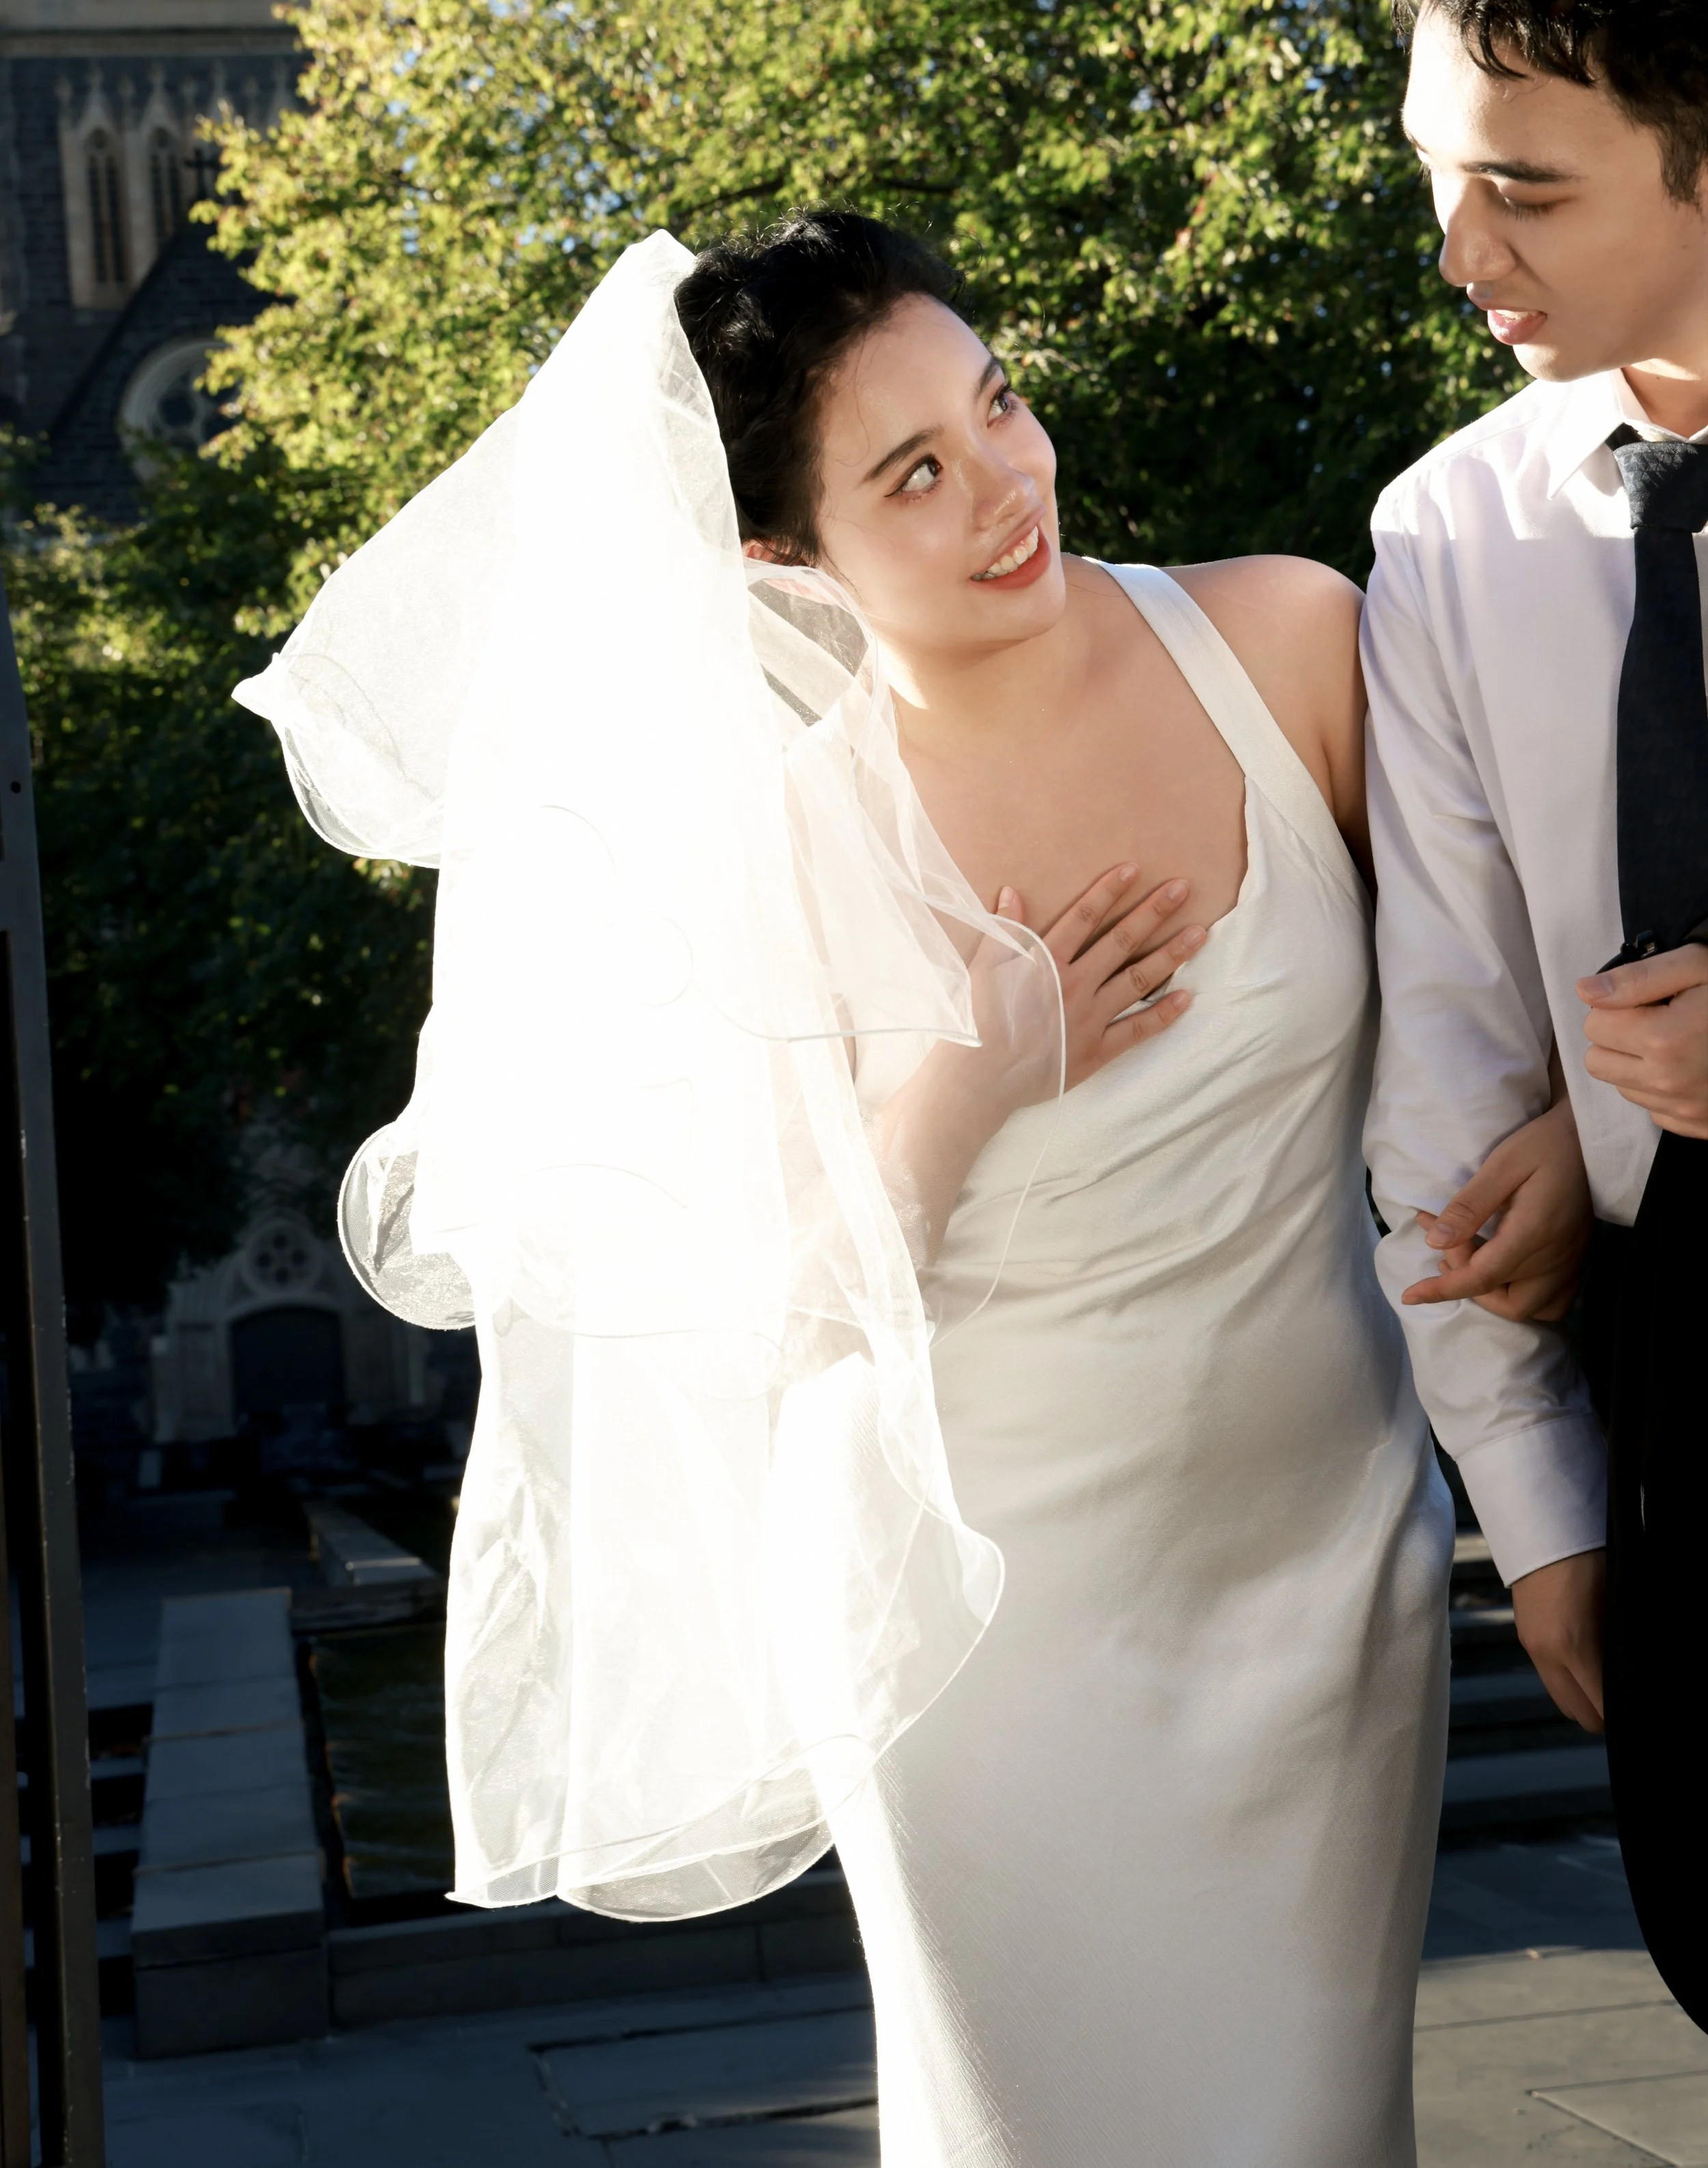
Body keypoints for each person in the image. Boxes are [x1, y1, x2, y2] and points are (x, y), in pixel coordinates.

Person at [241, 210, 1592, 2163]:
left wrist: (1560, 1137)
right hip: (981, 1634)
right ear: (779, 555)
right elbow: (762, 1312)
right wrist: (974, 1078)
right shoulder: (784, 855)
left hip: (1315, 1579)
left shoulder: (1289, 640)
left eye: (996, 405)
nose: (1003, 486)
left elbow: (1491, 998)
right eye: (913, 475)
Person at [1364, 0, 1708, 2029]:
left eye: (1527, 189)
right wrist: (1540, 1500)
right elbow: (1455, 1059)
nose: (1458, 248)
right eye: (1431, 169)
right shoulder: (1451, 533)